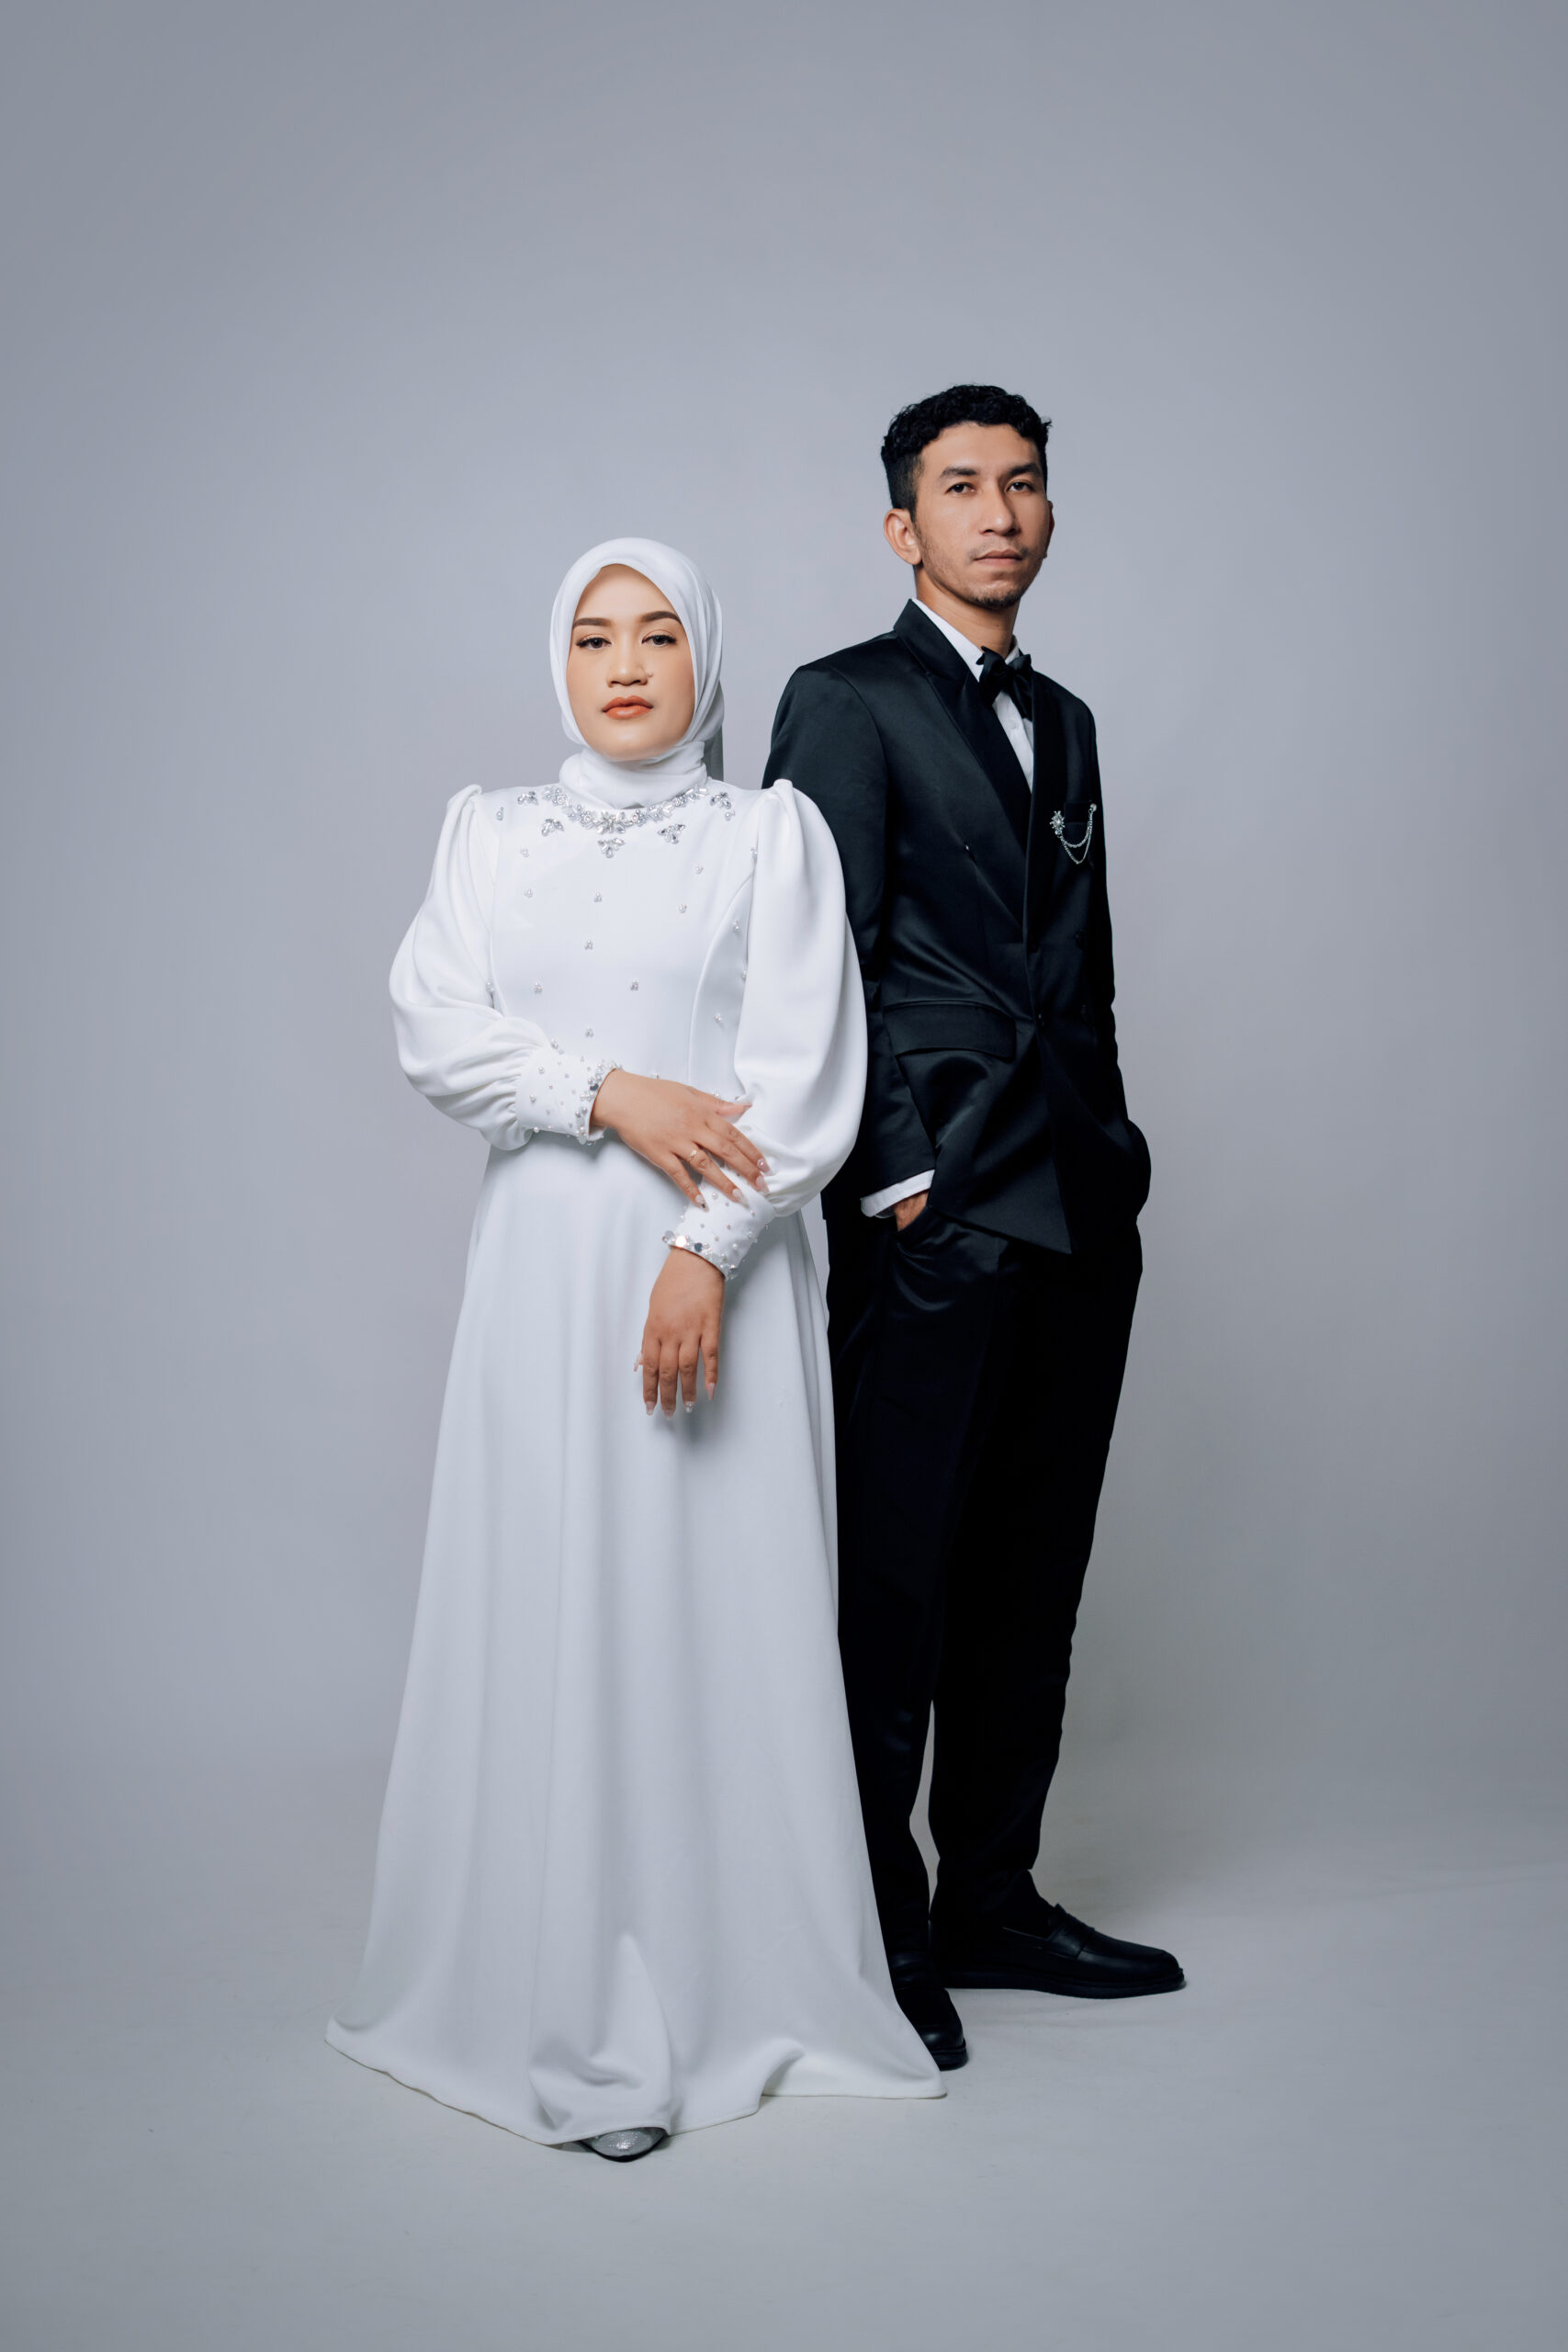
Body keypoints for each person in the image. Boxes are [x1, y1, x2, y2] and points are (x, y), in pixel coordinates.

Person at [329, 537, 941, 2158]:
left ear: (703, 660)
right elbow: (436, 1027)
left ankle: (728, 1984)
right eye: (594, 636)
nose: (623, 664)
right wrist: (607, 1093)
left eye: (657, 635)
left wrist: (701, 1257)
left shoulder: (769, 835)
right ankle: (556, 1999)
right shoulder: (489, 832)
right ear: (560, 659)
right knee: (551, 1595)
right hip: (540, 1270)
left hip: (711, 1267)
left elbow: (807, 1074)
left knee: (701, 1606)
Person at [763, 388, 1183, 2073]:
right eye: (960, 487)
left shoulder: (1066, 720)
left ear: (1049, 513)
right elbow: (809, 961)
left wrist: (1117, 1154)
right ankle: (876, 1928)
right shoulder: (843, 700)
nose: (998, 512)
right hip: (934, 1207)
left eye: (1022, 484)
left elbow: (1080, 964)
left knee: (1034, 1568)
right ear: (904, 526)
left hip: (1077, 1196)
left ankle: (993, 1898)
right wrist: (895, 1176)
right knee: (900, 1577)